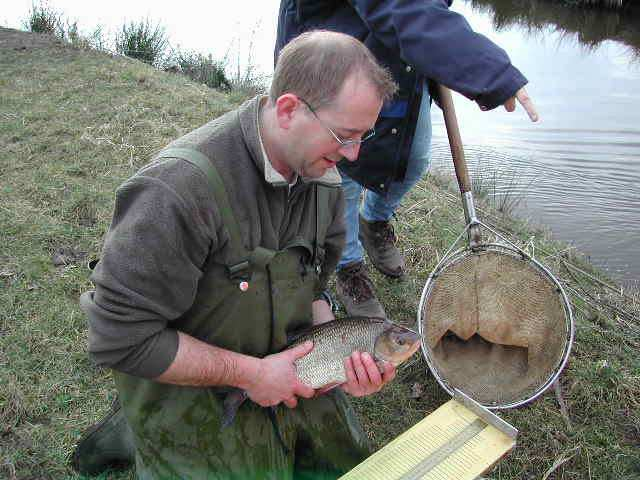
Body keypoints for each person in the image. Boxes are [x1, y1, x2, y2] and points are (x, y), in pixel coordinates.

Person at [77, 31, 398, 479]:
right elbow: (119, 338)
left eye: (364, 136)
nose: (352, 155)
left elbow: (313, 290)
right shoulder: (175, 192)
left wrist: (343, 358)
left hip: (289, 375)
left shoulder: (324, 185)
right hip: (190, 398)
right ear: (288, 109)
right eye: (343, 135)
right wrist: (251, 375)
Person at [276, 0, 539, 317]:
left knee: (413, 159)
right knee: (340, 169)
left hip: (400, 65)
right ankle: (349, 266)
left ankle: (373, 222)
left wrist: (437, 48)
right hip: (330, 63)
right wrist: (491, 72)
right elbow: (401, 6)